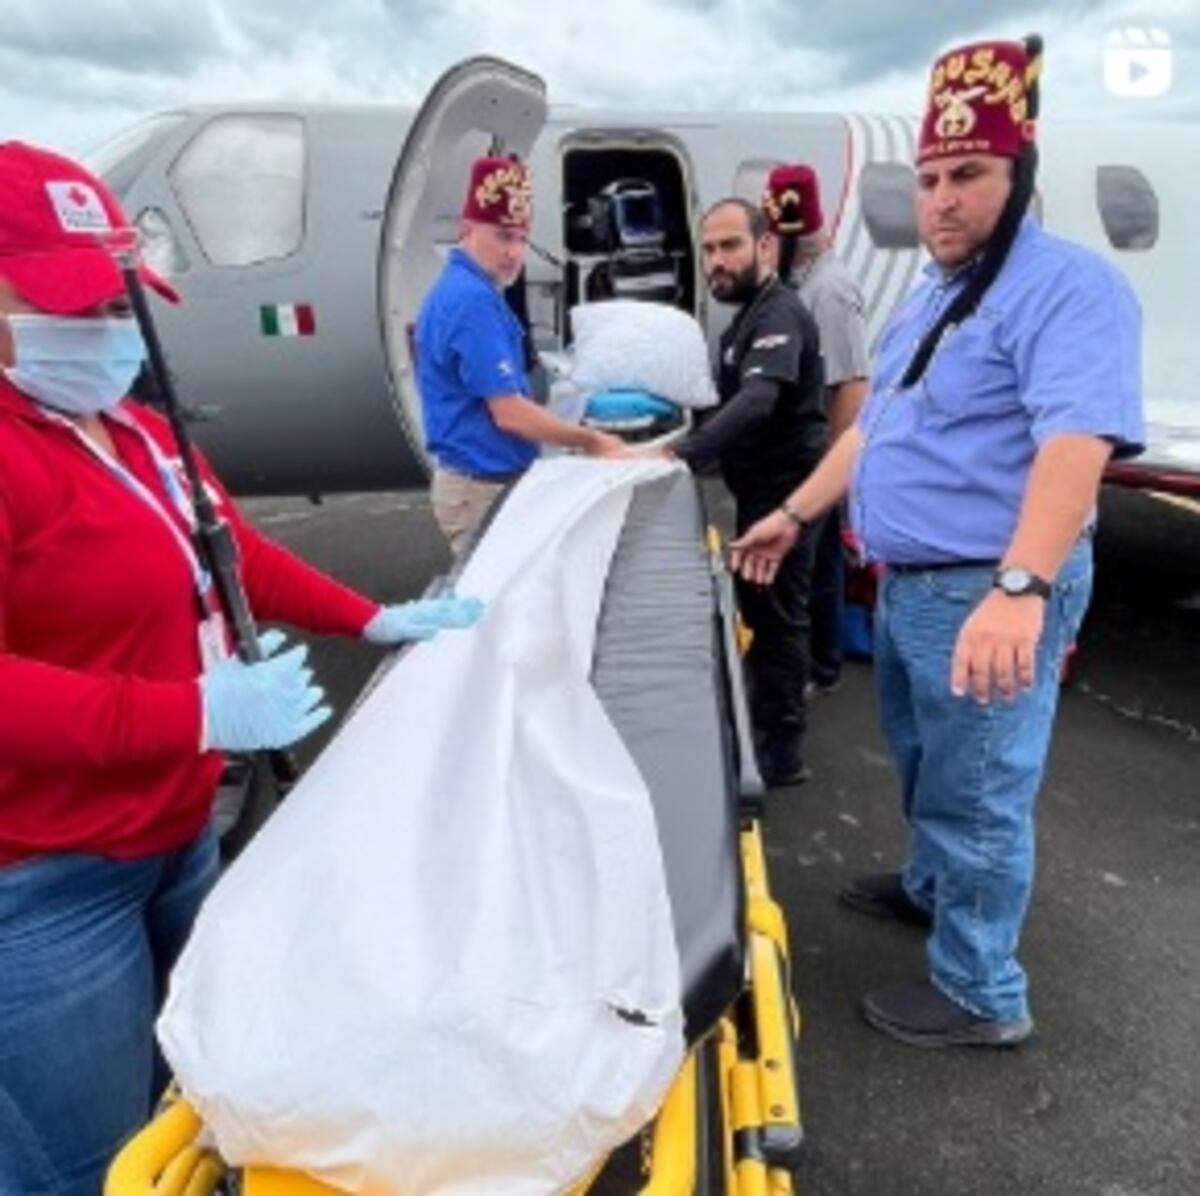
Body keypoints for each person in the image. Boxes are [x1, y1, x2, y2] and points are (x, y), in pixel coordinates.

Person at [0, 141, 483, 1195]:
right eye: (72, 306)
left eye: (118, 303)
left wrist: (372, 616)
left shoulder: (133, 430)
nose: (106, 329)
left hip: (178, 839)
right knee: (87, 1168)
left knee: (197, 1104)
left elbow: (232, 551)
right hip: (46, 882)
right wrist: (191, 712)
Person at [730, 38, 1144, 1047]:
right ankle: (931, 886)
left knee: (980, 790)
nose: (944, 200)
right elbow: (875, 427)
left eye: (969, 174)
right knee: (926, 764)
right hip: (913, 586)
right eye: (928, 180)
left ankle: (980, 990)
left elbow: (1076, 444)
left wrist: (1021, 588)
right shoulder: (934, 292)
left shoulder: (1067, 288)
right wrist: (797, 512)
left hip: (984, 588)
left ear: (1020, 174)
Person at [667, 198, 827, 787]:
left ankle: (781, 755)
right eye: (709, 249)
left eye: (730, 245)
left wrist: (680, 454)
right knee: (761, 607)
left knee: (778, 616)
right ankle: (763, 719)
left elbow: (759, 401)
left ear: (765, 246)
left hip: (787, 493)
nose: (717, 260)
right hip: (762, 488)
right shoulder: (748, 315)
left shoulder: (778, 313)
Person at [415, 155, 624, 555]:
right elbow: (509, 414)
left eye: (521, 239)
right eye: (502, 236)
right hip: (481, 491)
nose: (513, 253)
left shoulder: (465, 289)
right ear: (466, 229)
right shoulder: (471, 302)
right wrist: (591, 440)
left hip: (481, 484)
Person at [762, 164, 869, 698]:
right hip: (804, 449)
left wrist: (828, 472)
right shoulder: (801, 284)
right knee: (810, 562)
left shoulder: (829, 292)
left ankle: (821, 668)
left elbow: (850, 386)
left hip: (820, 454)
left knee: (819, 565)